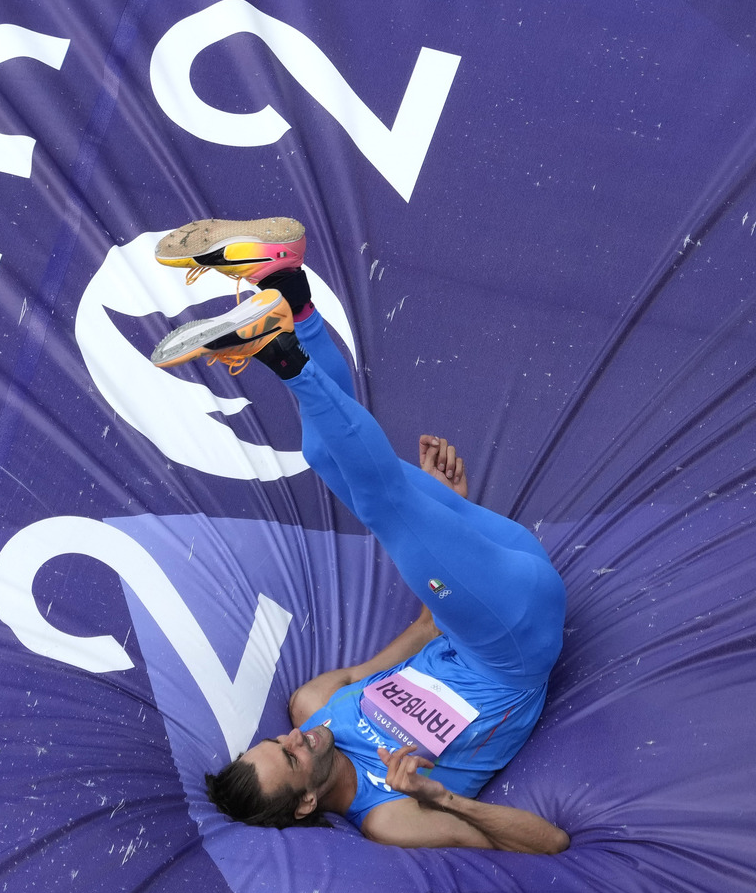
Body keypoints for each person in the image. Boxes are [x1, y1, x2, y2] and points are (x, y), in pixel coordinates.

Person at [151, 218, 569, 854]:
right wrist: (440, 797)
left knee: (328, 459)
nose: (296, 737)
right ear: (309, 802)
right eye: (291, 757)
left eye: (277, 741)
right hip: (515, 645)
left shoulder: (316, 703)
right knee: (382, 503)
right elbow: (549, 845)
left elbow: (420, 635)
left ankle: (286, 290)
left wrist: (444, 532)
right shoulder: (389, 814)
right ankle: (279, 352)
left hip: (484, 595)